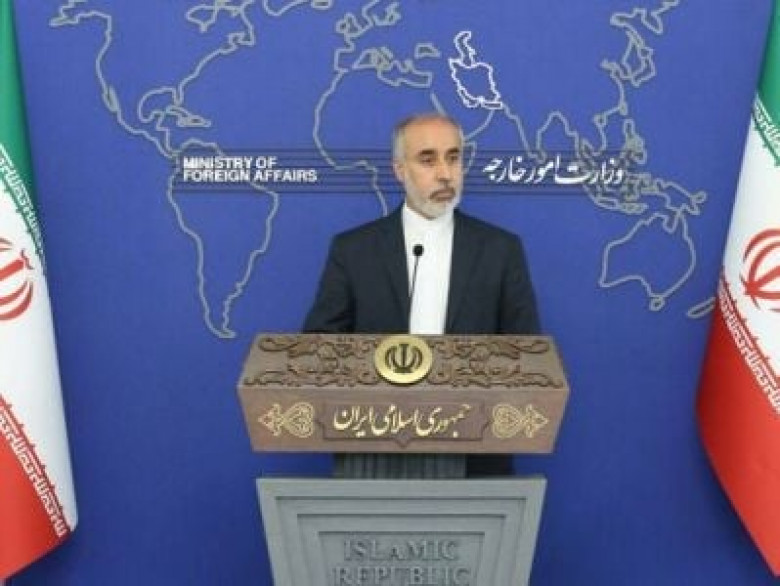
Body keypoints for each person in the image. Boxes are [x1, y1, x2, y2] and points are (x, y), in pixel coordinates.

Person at [303, 112, 540, 478]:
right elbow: (319, 349)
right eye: (428, 160)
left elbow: (526, 354)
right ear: (400, 170)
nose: (445, 173)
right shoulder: (354, 250)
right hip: (373, 456)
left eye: (453, 157)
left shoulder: (500, 250)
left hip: (476, 460)